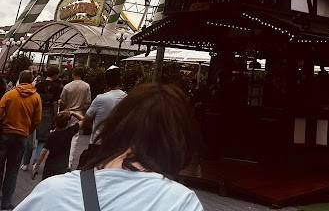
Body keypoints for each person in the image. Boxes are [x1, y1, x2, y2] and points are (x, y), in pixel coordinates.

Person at [14, 83, 203, 210]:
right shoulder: (180, 202)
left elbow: (86, 117)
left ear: (115, 124)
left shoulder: (54, 192)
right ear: (180, 139)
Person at [0, 70, 42, 209]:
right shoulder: (36, 97)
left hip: (5, 135)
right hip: (21, 136)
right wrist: (27, 131)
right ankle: (6, 203)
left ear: (19, 79)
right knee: (12, 170)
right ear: (31, 81)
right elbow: (37, 120)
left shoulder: (10, 94)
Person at [83, 67, 126, 145]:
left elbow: (86, 121)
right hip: (117, 145)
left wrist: (95, 129)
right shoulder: (128, 99)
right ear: (121, 81)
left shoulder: (100, 98)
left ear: (106, 82)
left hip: (98, 143)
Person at [31, 112, 78, 181]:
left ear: (55, 123)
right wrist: (73, 113)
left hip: (50, 166)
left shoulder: (52, 136)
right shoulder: (70, 132)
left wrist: (37, 166)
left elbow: (44, 152)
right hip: (62, 166)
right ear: (67, 123)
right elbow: (83, 119)